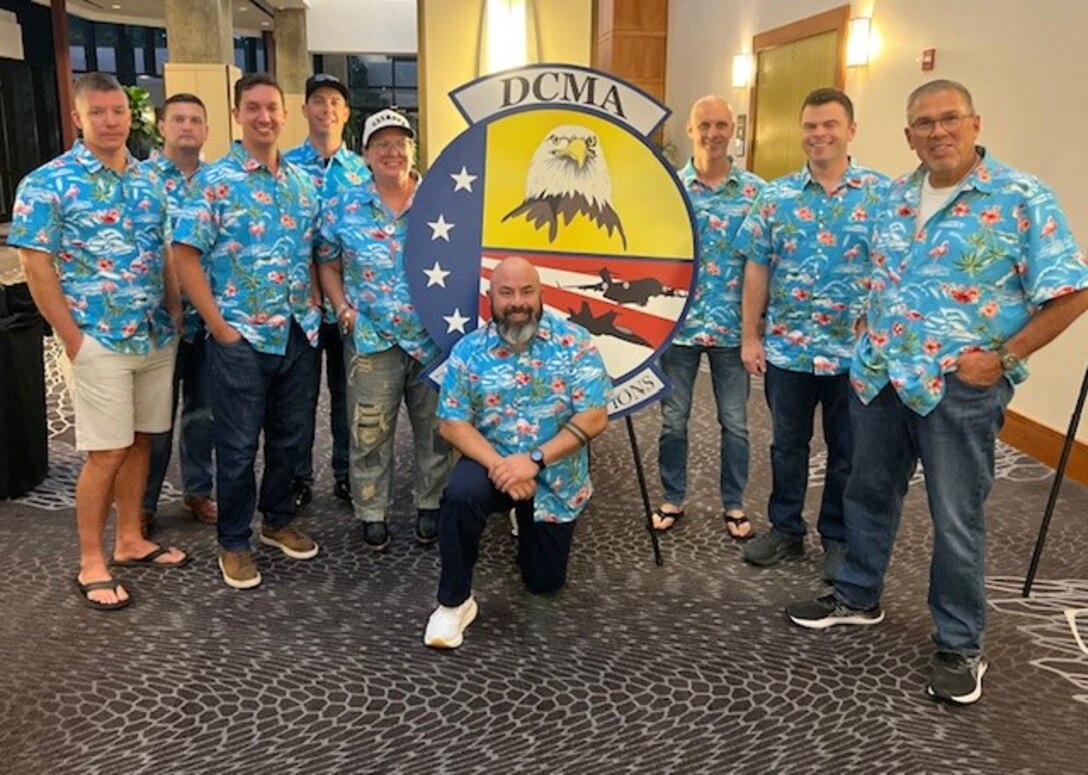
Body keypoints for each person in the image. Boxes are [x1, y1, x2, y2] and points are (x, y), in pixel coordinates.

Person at [786, 80, 1088, 705]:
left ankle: (959, 642)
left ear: (975, 123)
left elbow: (1072, 292)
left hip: (959, 390)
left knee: (956, 517)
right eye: (923, 123)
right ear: (907, 136)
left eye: (949, 119)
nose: (937, 132)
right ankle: (857, 594)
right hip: (881, 380)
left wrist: (1005, 358)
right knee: (866, 491)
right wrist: (868, 332)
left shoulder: (1020, 198)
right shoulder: (894, 197)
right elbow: (880, 274)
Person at [10, 72, 189, 611]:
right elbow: (34, 264)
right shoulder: (47, 183)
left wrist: (176, 310)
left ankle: (129, 538)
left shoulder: (149, 180)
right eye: (100, 113)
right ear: (78, 117)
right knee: (104, 452)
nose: (111, 122)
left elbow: (162, 251)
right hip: (98, 338)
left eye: (119, 111)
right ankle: (92, 559)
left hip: (152, 334)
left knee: (140, 441)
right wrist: (70, 336)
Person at [172, 73, 323, 590]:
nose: (264, 117)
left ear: (286, 114)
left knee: (291, 440)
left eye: (272, 108)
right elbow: (185, 254)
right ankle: (234, 542)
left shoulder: (303, 183)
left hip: (298, 334)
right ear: (238, 115)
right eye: (253, 108)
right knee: (235, 446)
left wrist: (317, 308)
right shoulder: (215, 181)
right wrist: (218, 326)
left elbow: (315, 252)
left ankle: (277, 521)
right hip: (240, 336)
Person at [736, 88, 888, 581]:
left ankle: (838, 538)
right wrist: (750, 337)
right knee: (786, 446)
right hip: (789, 351)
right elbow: (757, 268)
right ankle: (786, 529)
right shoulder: (775, 196)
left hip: (854, 356)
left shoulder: (883, 196)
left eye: (829, 125)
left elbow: (898, 268)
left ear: (851, 130)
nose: (819, 134)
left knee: (848, 452)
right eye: (810, 126)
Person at [423, 257, 611, 649]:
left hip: (556, 473)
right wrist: (503, 467)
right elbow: (450, 422)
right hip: (495, 464)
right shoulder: (470, 350)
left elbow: (594, 417)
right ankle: (454, 602)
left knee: (543, 584)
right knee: (459, 496)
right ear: (490, 298)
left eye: (527, 291)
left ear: (541, 293)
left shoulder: (574, 343)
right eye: (506, 292)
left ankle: (523, 518)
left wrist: (534, 460)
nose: (517, 302)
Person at [316, 108, 451, 551]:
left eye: (400, 144)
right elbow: (328, 262)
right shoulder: (344, 204)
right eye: (382, 145)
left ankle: (432, 505)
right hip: (372, 338)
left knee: (436, 428)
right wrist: (342, 308)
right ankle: (372, 511)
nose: (392, 152)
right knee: (369, 431)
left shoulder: (441, 198)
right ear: (367, 154)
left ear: (412, 150)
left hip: (431, 336)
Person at [654, 95, 764, 538]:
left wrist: (757, 328)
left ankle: (734, 504)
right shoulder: (669, 191)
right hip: (678, 327)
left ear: (732, 131)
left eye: (721, 125)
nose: (713, 133)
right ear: (690, 130)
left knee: (735, 423)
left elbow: (763, 262)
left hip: (733, 330)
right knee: (672, 421)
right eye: (705, 125)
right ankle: (672, 497)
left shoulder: (757, 193)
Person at [284, 73, 370, 509]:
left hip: (348, 304)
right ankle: (298, 475)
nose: (327, 109)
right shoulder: (283, 166)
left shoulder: (363, 171)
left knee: (347, 395)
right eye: (318, 100)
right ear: (304, 110)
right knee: (298, 398)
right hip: (297, 304)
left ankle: (344, 471)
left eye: (335, 101)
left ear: (346, 112)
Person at [141, 92, 217, 535]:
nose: (187, 126)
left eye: (196, 120)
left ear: (206, 130)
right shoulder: (141, 179)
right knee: (154, 417)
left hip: (207, 321)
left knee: (203, 413)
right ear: (162, 126)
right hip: (155, 322)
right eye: (179, 119)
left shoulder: (219, 181)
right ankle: (144, 502)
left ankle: (198, 491)